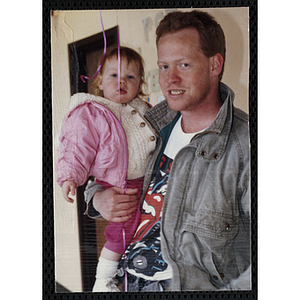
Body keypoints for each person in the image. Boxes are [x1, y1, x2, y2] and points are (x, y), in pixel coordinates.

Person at [85, 10, 251, 291]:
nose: (170, 79)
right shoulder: (146, 126)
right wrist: (98, 199)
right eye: (164, 67)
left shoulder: (245, 144)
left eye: (183, 65)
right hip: (123, 280)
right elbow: (100, 176)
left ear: (215, 64)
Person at [55, 46, 157, 292]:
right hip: (122, 183)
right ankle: (103, 280)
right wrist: (69, 176)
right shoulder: (92, 112)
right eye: (113, 75)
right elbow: (77, 145)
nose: (121, 81)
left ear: (140, 84)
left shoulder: (145, 109)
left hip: (148, 182)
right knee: (121, 229)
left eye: (130, 77)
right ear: (99, 81)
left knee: (137, 229)